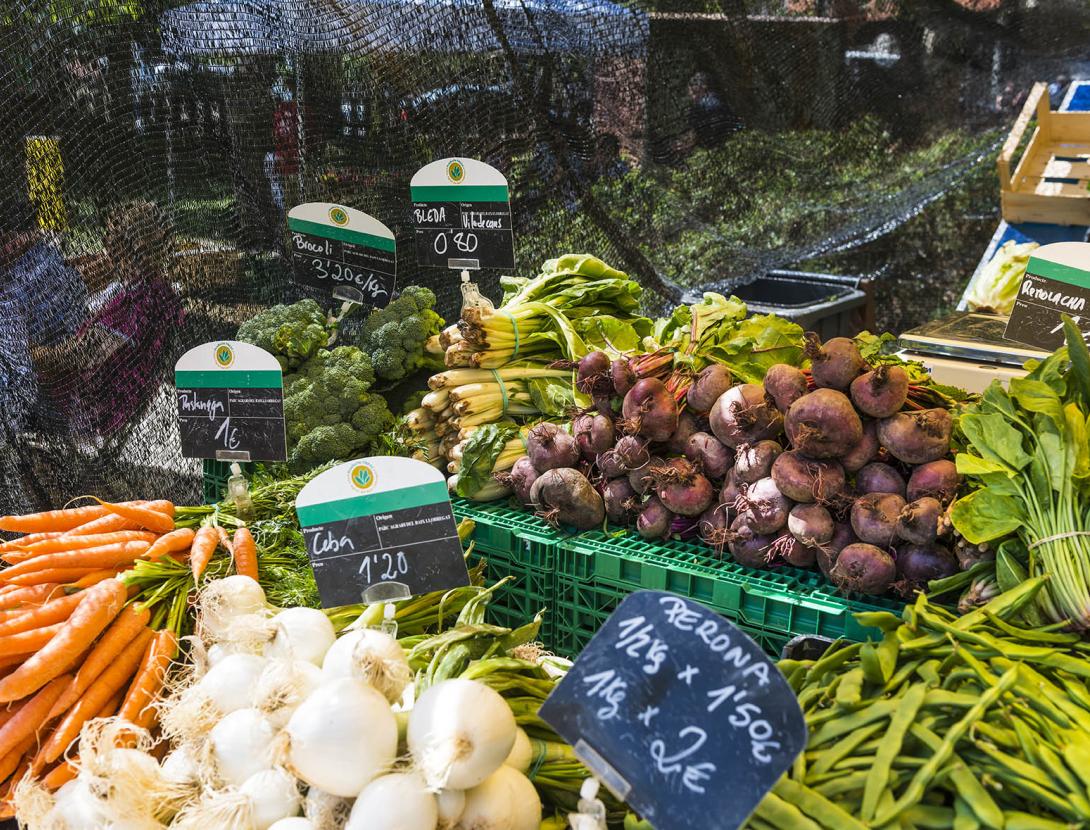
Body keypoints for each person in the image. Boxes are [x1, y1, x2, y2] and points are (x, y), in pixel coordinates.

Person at [32, 201, 184, 437]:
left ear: (123, 249)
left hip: (86, 410)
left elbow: (74, 356)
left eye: (112, 242)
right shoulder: (162, 296)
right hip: (113, 403)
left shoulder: (137, 303)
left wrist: (24, 353)